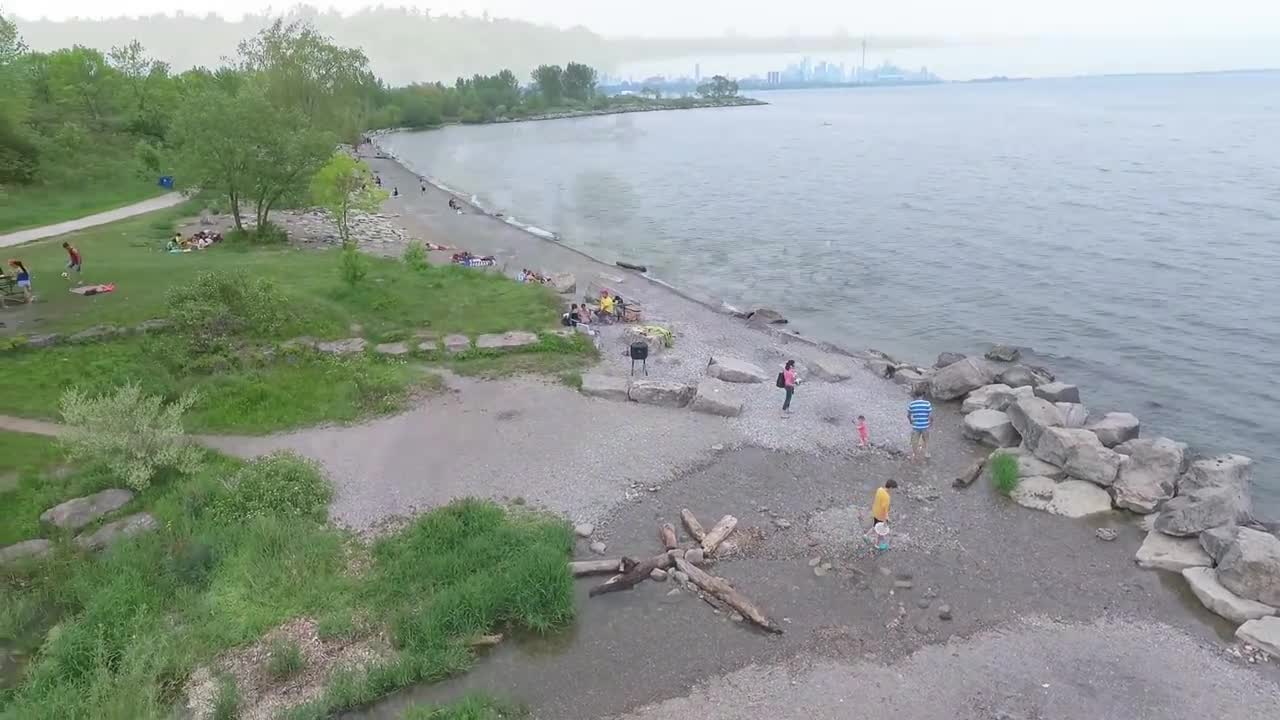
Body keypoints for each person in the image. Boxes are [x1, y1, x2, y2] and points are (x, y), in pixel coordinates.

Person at [907, 387, 933, 461]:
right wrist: (930, 423)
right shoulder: (927, 404)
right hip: (925, 426)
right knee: (926, 440)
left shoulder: (911, 404)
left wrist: (911, 421)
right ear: (923, 395)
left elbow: (908, 415)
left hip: (915, 426)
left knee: (915, 441)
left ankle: (915, 455)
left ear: (915, 395)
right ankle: (926, 453)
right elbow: (930, 416)